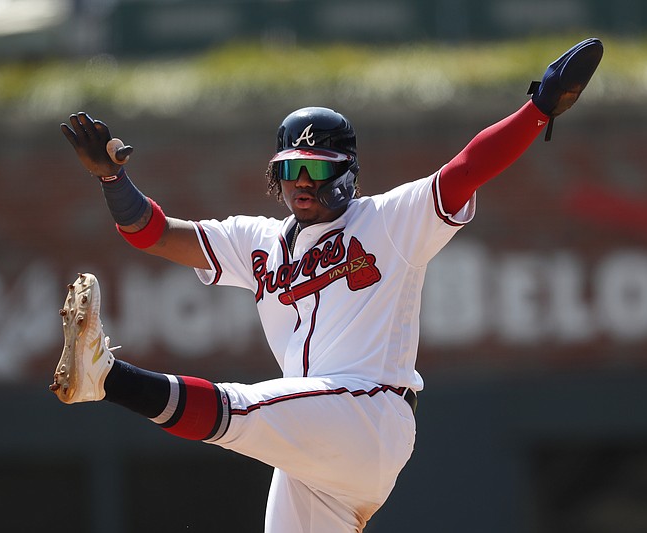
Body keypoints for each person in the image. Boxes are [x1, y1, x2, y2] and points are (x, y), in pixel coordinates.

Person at [51, 38, 603, 532]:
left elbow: (465, 168)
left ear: (347, 172)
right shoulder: (257, 239)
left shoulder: (388, 221)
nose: (302, 184)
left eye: (316, 170)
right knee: (259, 418)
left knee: (240, 410)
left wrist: (536, 110)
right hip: (315, 445)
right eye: (291, 170)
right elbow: (152, 233)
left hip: (367, 415)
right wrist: (111, 179)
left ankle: (107, 377)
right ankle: (104, 378)